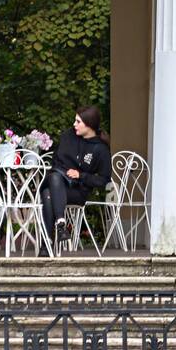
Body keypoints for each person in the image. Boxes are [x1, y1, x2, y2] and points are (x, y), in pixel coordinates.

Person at [39, 106, 111, 253]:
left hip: (78, 191)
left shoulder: (100, 149)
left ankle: (47, 244)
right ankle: (60, 223)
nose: (74, 124)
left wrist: (81, 176)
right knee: (55, 177)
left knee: (48, 194)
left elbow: (103, 180)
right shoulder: (68, 137)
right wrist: (66, 172)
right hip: (58, 182)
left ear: (89, 124)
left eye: (78, 121)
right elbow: (57, 162)